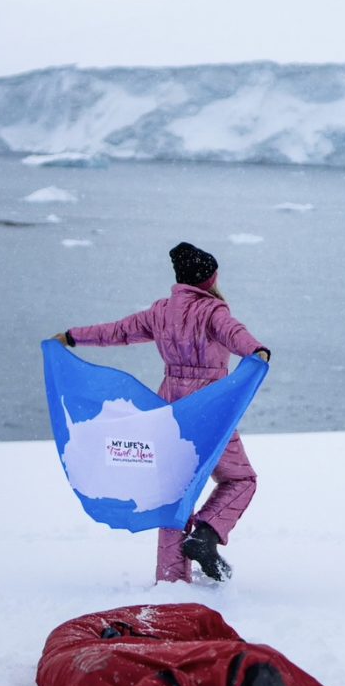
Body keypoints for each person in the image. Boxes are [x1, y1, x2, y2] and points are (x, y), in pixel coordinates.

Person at [54, 242, 270, 584]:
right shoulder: (212, 312)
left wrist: (72, 337)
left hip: (169, 411)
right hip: (208, 410)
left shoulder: (161, 312)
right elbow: (235, 334)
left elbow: (117, 331)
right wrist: (256, 351)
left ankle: (171, 581)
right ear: (208, 279)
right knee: (240, 479)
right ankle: (207, 532)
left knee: (174, 491)